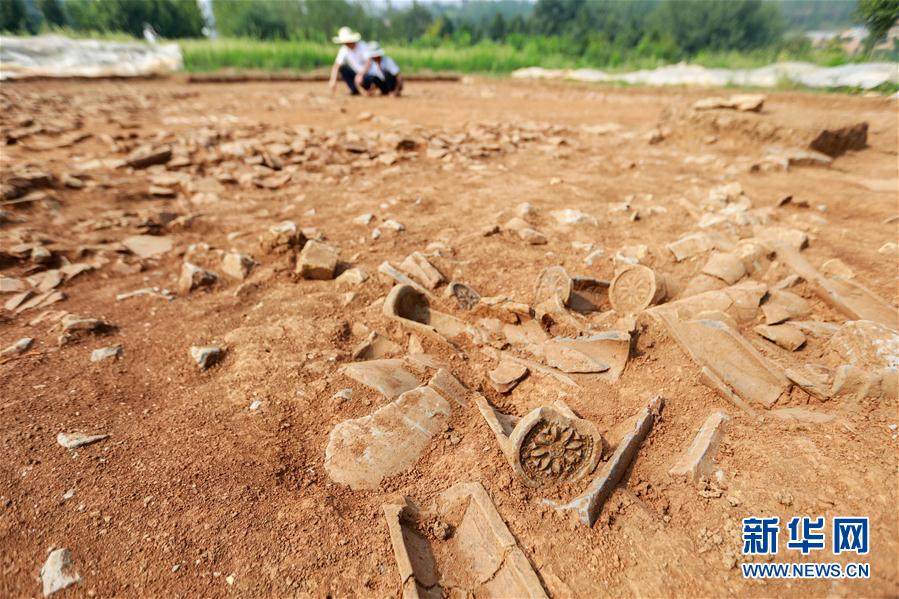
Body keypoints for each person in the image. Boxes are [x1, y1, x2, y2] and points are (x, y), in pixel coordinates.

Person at [328, 27, 368, 96]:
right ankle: (354, 90)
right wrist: (333, 80)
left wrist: (361, 74)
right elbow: (336, 66)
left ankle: (370, 88)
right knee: (343, 68)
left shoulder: (362, 46)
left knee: (369, 79)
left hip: (367, 74)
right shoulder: (344, 49)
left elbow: (369, 62)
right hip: (357, 75)